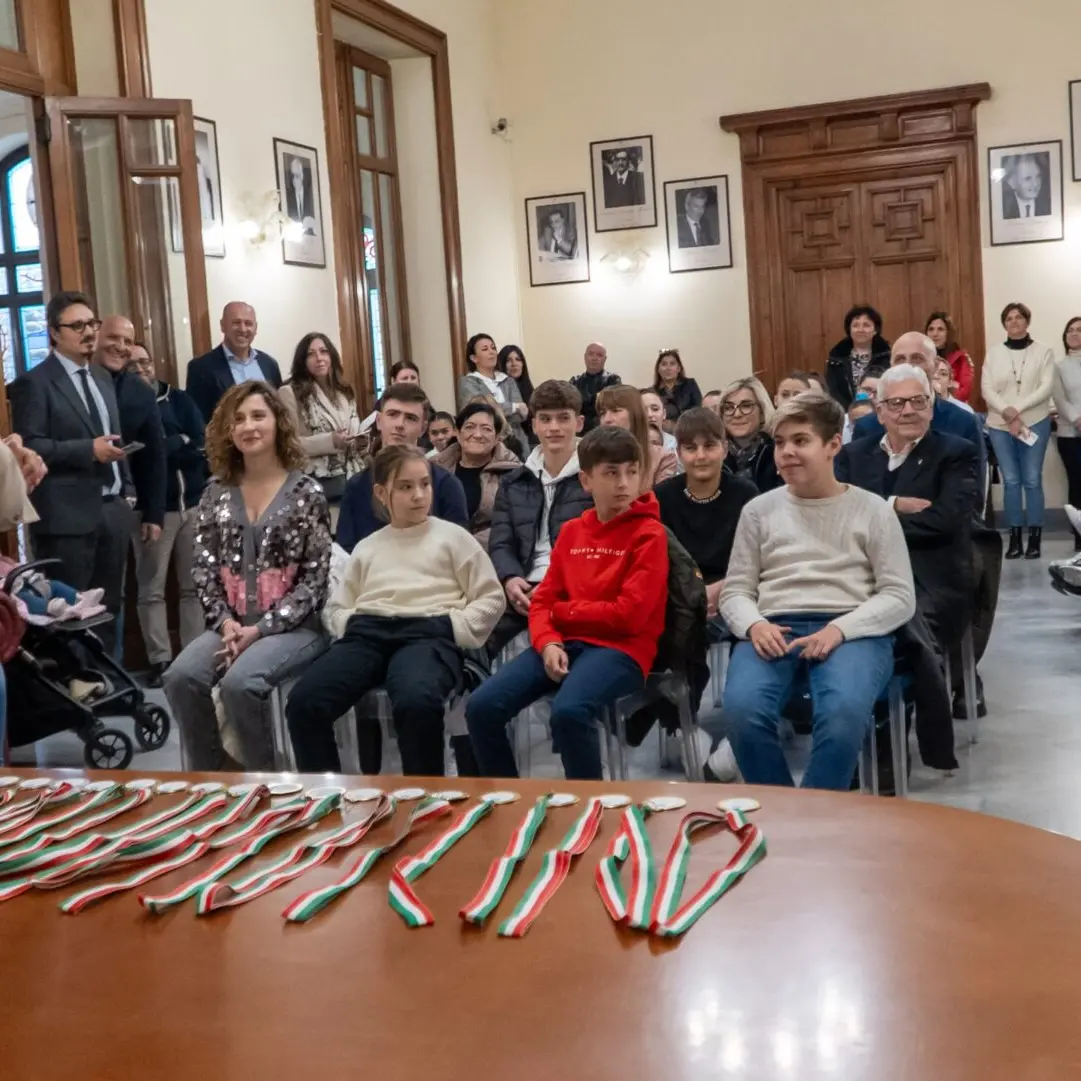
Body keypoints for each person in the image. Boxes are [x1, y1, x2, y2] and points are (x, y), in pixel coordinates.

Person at [719, 392, 916, 791]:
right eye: (779, 442)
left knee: (842, 714)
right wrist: (754, 625)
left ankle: (817, 816)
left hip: (850, 628)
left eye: (800, 440)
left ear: (832, 445)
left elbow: (898, 596)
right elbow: (736, 590)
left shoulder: (873, 510)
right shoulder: (758, 511)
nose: (787, 452)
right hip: (774, 626)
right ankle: (785, 811)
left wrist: (840, 630)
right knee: (742, 714)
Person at [286, 445, 505, 777]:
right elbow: (335, 607)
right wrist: (351, 622)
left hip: (428, 633)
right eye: (405, 487)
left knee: (416, 701)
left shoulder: (454, 538)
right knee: (305, 702)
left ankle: (424, 800)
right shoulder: (369, 547)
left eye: (425, 484)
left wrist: (453, 626)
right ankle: (323, 798)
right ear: (381, 492)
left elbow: (490, 599)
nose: (419, 495)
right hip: (368, 633)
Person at [467, 426, 669, 780]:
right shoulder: (574, 531)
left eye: (631, 472)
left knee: (569, 712)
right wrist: (547, 642)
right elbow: (543, 600)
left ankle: (588, 807)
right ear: (586, 481)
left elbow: (629, 615)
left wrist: (565, 614)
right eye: (611, 473)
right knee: (482, 707)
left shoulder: (649, 534)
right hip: (564, 642)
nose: (624, 483)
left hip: (621, 650)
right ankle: (510, 801)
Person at [163, 382, 331, 771]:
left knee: (241, 684)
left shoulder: (307, 492)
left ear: (277, 423)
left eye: (258, 415)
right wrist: (225, 624)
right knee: (180, 676)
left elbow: (314, 581)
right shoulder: (214, 494)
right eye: (238, 419)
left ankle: (270, 784)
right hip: (229, 626)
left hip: (295, 628)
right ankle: (215, 780)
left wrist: (260, 630)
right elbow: (203, 570)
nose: (248, 426)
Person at [10, 291, 135, 655]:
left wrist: (126, 489)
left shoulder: (102, 376)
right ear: (53, 333)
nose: (88, 332)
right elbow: (31, 445)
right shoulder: (35, 383)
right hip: (65, 519)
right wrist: (87, 451)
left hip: (112, 510)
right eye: (77, 325)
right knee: (71, 615)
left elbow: (114, 436)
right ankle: (77, 698)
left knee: (110, 606)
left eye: (92, 324)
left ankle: (110, 685)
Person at [836, 364, 981, 649]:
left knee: (904, 629)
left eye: (918, 401)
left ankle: (923, 693)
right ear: (879, 412)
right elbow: (838, 516)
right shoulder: (852, 456)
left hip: (928, 573)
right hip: (857, 573)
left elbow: (943, 522)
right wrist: (893, 504)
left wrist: (867, 520)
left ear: (930, 407)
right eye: (896, 403)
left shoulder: (957, 453)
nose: (909, 410)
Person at [487, 380, 592, 658]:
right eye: (545, 419)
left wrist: (554, 586)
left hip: (573, 591)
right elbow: (501, 541)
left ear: (579, 423)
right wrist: (510, 578)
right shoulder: (513, 481)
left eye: (563, 418)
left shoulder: (594, 479)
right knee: (474, 636)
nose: (553, 428)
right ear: (533, 425)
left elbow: (598, 548)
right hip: (521, 586)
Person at [128, 344, 208, 688]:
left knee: (194, 588)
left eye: (144, 362)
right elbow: (137, 455)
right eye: (132, 365)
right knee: (151, 590)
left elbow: (201, 445)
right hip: (151, 511)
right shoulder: (125, 404)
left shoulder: (179, 400)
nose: (140, 369)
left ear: (154, 363)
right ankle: (160, 660)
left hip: (192, 504)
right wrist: (174, 444)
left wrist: (168, 445)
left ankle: (193, 657)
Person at [337, 383, 467, 552]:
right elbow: (345, 552)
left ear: (423, 429)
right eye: (393, 414)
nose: (400, 424)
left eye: (410, 418)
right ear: (378, 421)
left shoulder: (446, 484)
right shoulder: (356, 486)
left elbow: (459, 549)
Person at [656, 408, 757, 622]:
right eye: (691, 448)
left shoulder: (745, 494)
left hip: (734, 594)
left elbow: (756, 560)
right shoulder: (661, 496)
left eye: (709, 446)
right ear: (679, 453)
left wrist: (723, 589)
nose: (700, 456)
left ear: (725, 449)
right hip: (676, 599)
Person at [982, 302, 1056, 560]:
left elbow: (1046, 387)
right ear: (1004, 323)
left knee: (1032, 479)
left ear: (1027, 321)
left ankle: (1034, 537)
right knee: (1012, 481)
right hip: (999, 425)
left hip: (1034, 421)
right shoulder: (993, 354)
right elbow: (986, 389)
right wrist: (1006, 412)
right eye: (1009, 318)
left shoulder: (1044, 351)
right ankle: (1014, 538)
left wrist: (1017, 410)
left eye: (1019, 317)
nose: (1014, 322)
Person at [92, 316, 167, 547]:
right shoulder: (74, 383)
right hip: (72, 509)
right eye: (113, 337)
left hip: (120, 507)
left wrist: (154, 514)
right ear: (95, 337)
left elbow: (154, 455)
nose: (121, 346)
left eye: (128, 341)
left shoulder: (142, 392)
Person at [277, 333, 364, 516]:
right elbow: (288, 444)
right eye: (311, 354)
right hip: (317, 482)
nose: (319, 358)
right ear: (302, 361)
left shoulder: (344, 392)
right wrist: (331, 441)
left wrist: (361, 441)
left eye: (324, 351)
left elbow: (354, 427)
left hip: (352, 475)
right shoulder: (289, 393)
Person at [434, 401, 520, 548]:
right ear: (458, 434)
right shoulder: (435, 468)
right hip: (439, 550)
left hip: (490, 551)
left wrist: (465, 545)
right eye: (469, 427)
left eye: (486, 429)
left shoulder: (513, 473)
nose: (478, 435)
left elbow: (511, 525)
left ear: (497, 437)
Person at [186, 302, 282, 423]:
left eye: (248, 323)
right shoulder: (200, 369)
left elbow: (279, 411)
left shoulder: (269, 364)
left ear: (256, 328)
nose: (243, 329)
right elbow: (198, 422)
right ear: (222, 326)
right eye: (236, 322)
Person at [596, 384, 678, 491]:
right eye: (603, 413)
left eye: (615, 411)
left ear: (635, 414)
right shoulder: (594, 457)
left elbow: (661, 504)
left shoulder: (662, 459)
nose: (607, 419)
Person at [718, 377, 782, 492]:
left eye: (746, 406)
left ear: (762, 412)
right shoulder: (714, 454)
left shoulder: (777, 452)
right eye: (728, 408)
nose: (737, 414)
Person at [825, 305, 891, 408]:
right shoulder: (836, 358)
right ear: (849, 330)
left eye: (866, 325)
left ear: (875, 330)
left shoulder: (887, 356)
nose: (860, 330)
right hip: (845, 412)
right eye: (855, 325)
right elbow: (833, 390)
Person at [1053, 316, 1081, 550]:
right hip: (1070, 435)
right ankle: (1080, 540)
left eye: (1079, 330)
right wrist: (1076, 418)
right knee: (1077, 484)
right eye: (1070, 330)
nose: (1074, 333)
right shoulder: (1059, 366)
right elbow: (1059, 398)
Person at [570, 341, 621, 431]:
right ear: (585, 357)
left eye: (599, 355)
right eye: (591, 354)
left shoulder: (613, 380)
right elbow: (571, 406)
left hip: (604, 429)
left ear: (605, 359)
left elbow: (608, 405)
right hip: (578, 429)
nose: (594, 358)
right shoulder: (575, 381)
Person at [925, 311, 974, 402]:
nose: (935, 334)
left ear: (948, 333)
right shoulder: (921, 357)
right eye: (931, 329)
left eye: (940, 329)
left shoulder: (961, 358)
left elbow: (964, 391)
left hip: (952, 407)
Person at [499, 345, 536, 446]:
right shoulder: (499, 390)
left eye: (518, 359)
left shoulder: (529, 388)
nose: (514, 364)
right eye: (508, 360)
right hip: (511, 442)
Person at [653, 349, 703, 421]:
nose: (668, 368)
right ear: (658, 369)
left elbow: (699, 409)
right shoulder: (653, 391)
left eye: (672, 364)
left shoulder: (690, 384)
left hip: (688, 426)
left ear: (678, 368)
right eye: (664, 364)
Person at [1002, 155, 1051, 219]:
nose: (1035, 184)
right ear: (1012, 183)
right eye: (1027, 179)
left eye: (1038, 176)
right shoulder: (1004, 208)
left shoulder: (1048, 205)